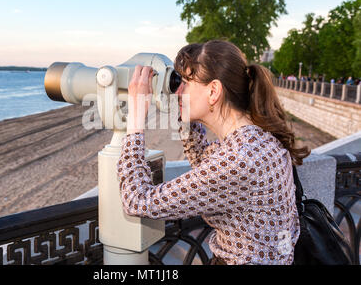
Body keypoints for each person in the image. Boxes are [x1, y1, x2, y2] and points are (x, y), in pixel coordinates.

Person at [117, 40, 311, 265]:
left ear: (214, 91)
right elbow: (204, 164)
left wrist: (135, 121)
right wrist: (181, 108)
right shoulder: (257, 139)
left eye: (186, 82)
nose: (179, 89)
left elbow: (137, 201)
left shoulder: (239, 158)